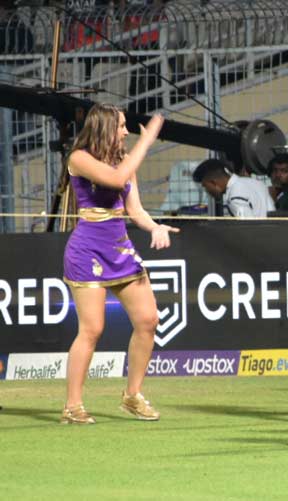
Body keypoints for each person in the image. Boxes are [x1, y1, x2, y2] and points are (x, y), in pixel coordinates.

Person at [61, 105, 178, 424]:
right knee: (92, 328)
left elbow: (135, 209)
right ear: (105, 128)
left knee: (148, 319)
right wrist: (148, 140)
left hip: (119, 247)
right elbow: (116, 178)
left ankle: (132, 395)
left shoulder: (125, 160)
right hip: (88, 250)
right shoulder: (79, 158)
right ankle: (73, 405)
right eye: (122, 126)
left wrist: (155, 227)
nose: (127, 132)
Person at [192, 158, 274, 218]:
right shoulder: (256, 183)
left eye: (205, 186)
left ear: (214, 183)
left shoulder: (234, 196)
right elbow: (273, 213)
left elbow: (247, 228)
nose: (207, 191)